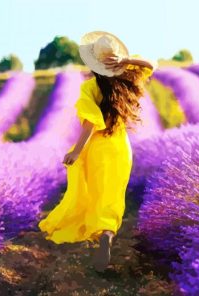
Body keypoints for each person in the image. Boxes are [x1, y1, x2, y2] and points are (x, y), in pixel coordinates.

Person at [38, 31, 157, 272]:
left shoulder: (90, 87)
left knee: (92, 191)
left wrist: (77, 151)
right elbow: (151, 65)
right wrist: (126, 62)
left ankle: (93, 230)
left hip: (97, 148)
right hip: (120, 147)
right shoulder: (126, 79)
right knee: (112, 195)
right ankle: (106, 232)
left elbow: (91, 122)